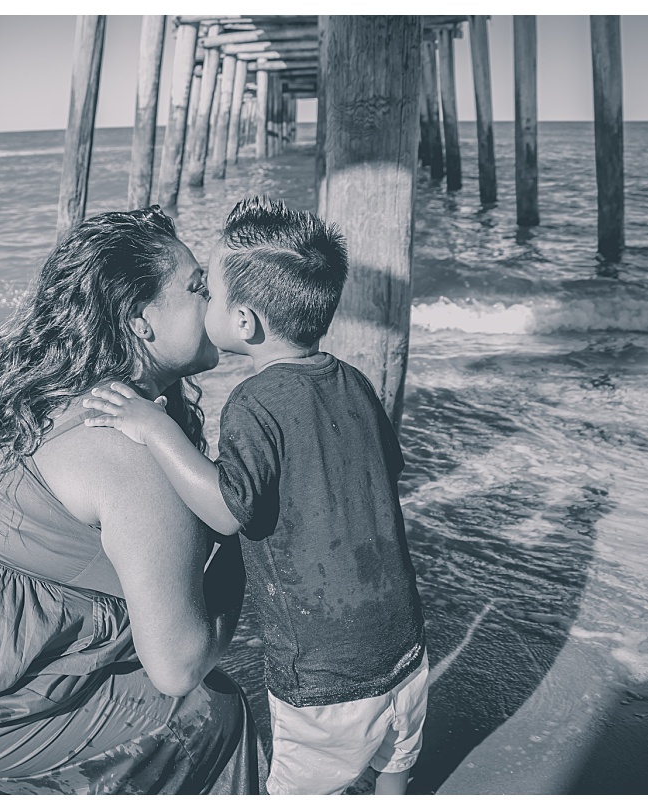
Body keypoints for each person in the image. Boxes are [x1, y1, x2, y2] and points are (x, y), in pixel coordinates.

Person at [0, 207, 260, 795]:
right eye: (199, 286)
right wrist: (242, 534)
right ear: (139, 321)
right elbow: (179, 666)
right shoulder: (126, 458)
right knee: (209, 709)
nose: (219, 294)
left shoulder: (27, 398)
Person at [83, 197, 428, 795]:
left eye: (209, 295)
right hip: (404, 649)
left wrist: (155, 427)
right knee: (393, 767)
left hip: (324, 675)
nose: (204, 304)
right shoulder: (354, 381)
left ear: (244, 323)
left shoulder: (256, 402)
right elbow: (382, 470)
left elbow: (224, 507)